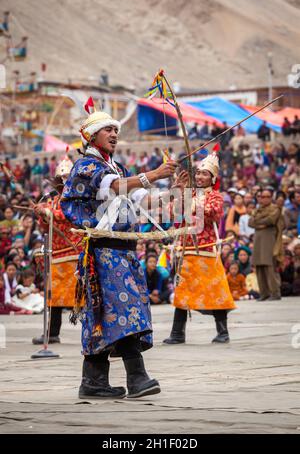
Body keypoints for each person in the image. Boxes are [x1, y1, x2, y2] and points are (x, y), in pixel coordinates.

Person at [61, 104, 179, 399]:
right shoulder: (87, 167)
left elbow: (144, 201)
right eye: (108, 130)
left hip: (122, 251)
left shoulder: (115, 166)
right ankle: (137, 378)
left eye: (116, 130)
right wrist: (155, 172)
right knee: (123, 310)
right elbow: (116, 187)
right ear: (91, 136)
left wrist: (174, 188)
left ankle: (93, 381)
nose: (114, 134)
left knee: (108, 314)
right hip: (103, 253)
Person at [163, 153, 236, 345]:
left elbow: (213, 213)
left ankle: (223, 331)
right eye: (198, 173)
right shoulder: (190, 194)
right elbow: (171, 212)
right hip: (186, 250)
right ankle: (178, 333)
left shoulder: (216, 196)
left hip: (206, 251)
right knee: (182, 291)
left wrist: (191, 202)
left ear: (213, 178)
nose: (200, 177)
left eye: (205, 174)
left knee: (215, 290)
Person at [32, 153, 82, 345]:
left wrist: (47, 212)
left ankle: (97, 332)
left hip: (73, 251)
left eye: (68, 177)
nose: (65, 181)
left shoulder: (77, 197)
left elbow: (67, 215)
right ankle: (52, 333)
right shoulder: (52, 199)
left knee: (83, 296)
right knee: (53, 296)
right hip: (57, 253)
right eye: (62, 178)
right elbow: (47, 225)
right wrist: (41, 214)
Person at [249, 188, 283, 301]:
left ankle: (275, 292)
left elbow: (271, 220)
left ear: (271, 197)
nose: (264, 199)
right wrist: (260, 223)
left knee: (269, 266)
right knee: (259, 266)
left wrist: (258, 222)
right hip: (258, 240)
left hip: (269, 240)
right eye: (262, 197)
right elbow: (250, 222)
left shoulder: (275, 209)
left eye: (267, 196)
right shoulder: (257, 209)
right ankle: (264, 293)